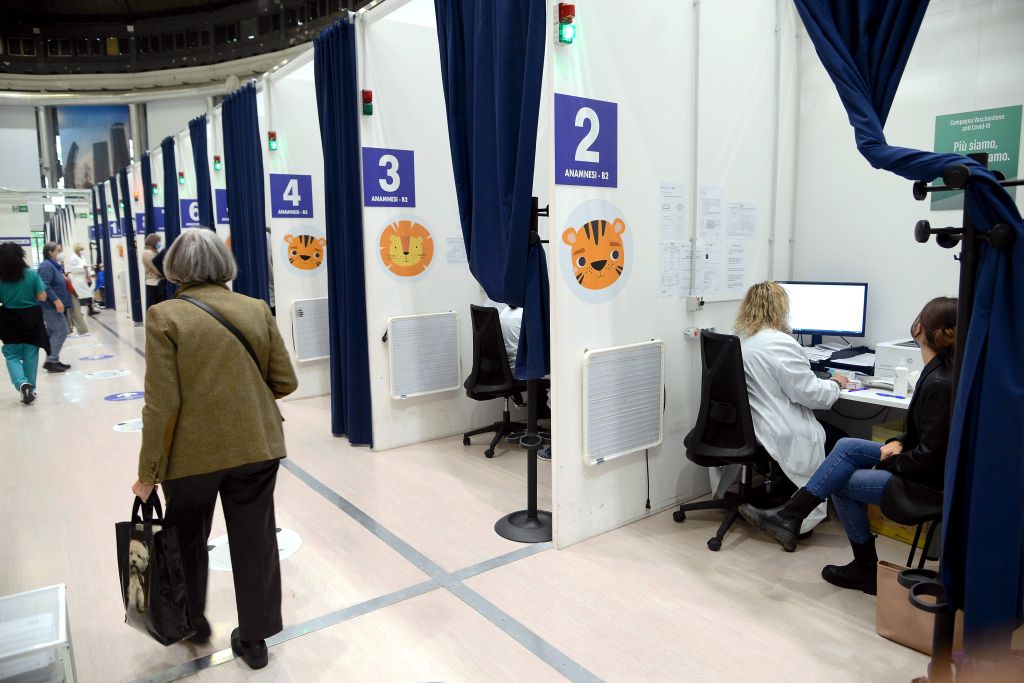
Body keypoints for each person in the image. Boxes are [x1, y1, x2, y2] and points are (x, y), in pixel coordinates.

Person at [130, 228, 298, 669]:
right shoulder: (255, 308)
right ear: (224, 266)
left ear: (174, 268)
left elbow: (161, 405)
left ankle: (192, 624)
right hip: (257, 447)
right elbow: (285, 381)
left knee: (186, 539)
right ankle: (255, 641)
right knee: (256, 539)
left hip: (191, 458)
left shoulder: (165, 317)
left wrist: (147, 473)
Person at [739, 297, 957, 595]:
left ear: (918, 329)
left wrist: (887, 460)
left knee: (840, 482)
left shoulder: (939, 382)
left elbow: (929, 457)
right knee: (845, 445)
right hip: (920, 462)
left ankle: (863, 567)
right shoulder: (937, 371)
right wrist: (898, 441)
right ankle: (791, 515)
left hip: (926, 482)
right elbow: (927, 432)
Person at [732, 281, 850, 533]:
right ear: (780, 309)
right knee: (842, 441)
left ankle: (787, 501)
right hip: (778, 427)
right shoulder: (780, 343)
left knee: (831, 437)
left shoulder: (743, 340)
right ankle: (797, 517)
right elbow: (811, 394)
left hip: (752, 425)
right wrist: (835, 384)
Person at [0, 242, 50, 404]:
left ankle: (22, 384)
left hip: (8, 318)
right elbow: (42, 297)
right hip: (31, 317)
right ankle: (31, 389)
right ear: (20, 256)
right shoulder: (31, 274)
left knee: (11, 354)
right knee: (30, 353)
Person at [37, 242, 72, 373]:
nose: (61, 253)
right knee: (61, 331)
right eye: (59, 250)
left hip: (55, 305)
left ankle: (53, 360)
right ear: (50, 252)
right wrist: (56, 300)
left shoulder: (55, 266)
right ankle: (51, 361)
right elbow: (44, 285)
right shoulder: (46, 266)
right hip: (50, 306)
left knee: (54, 333)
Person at [59, 247, 89, 336]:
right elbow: (72, 270)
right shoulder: (50, 266)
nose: (62, 253)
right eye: (59, 251)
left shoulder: (59, 265)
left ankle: (80, 331)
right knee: (73, 311)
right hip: (66, 290)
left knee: (75, 310)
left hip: (71, 288)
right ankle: (72, 330)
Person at [66, 243, 98, 317]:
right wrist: (82, 267)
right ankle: (79, 311)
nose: (82, 251)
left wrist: (91, 274)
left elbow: (86, 267)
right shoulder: (73, 258)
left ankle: (91, 310)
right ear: (77, 249)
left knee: (89, 294)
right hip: (77, 278)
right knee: (79, 295)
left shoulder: (82, 257)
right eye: (81, 249)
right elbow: (71, 269)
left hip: (85, 278)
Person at [142, 233, 165, 309]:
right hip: (153, 283)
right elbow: (156, 269)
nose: (160, 243)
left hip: (157, 282)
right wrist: (163, 273)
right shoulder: (148, 253)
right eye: (159, 241)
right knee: (156, 306)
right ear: (154, 241)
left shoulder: (154, 251)